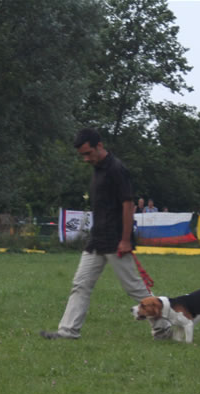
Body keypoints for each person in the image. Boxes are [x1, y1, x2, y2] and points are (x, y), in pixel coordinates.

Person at [40, 128, 171, 340]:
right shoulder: (97, 169)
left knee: (135, 288)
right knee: (80, 284)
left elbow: (128, 205)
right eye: (82, 155)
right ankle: (68, 331)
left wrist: (125, 240)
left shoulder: (117, 169)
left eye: (88, 153)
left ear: (99, 146)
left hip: (117, 241)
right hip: (96, 240)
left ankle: (164, 327)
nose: (85, 159)